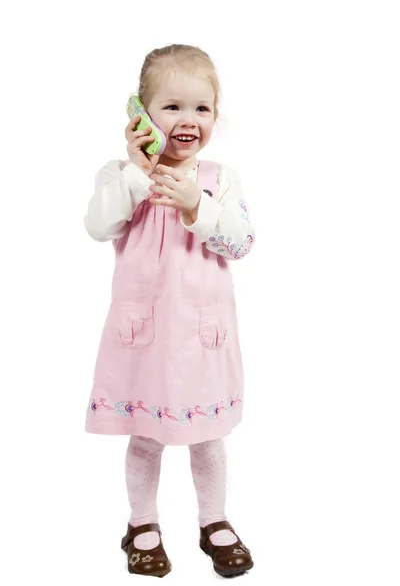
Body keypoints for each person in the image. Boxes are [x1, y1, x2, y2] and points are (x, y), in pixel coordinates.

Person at [84, 44, 256, 578]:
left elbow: (241, 242)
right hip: (145, 337)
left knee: (208, 436)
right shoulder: (121, 175)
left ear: (215, 116)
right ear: (140, 114)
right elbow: (99, 226)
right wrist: (137, 172)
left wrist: (196, 207)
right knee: (146, 433)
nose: (188, 120)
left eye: (201, 108)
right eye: (171, 106)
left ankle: (214, 518)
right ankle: (141, 522)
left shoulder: (220, 180)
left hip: (202, 339)